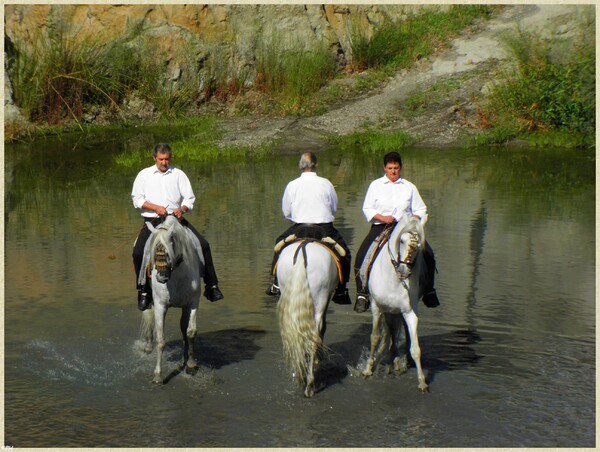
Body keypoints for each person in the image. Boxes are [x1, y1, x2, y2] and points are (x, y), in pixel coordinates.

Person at [131, 143, 224, 311]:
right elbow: (137, 200)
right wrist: (155, 208)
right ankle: (143, 291)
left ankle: (212, 285)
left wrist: (182, 209)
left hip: (175, 220)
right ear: (154, 158)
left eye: (167, 159)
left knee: (204, 245)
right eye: (161, 159)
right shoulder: (144, 175)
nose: (164, 162)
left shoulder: (178, 174)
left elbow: (189, 198)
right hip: (153, 221)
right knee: (138, 252)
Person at [353, 151, 439, 313]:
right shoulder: (376, 185)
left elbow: (421, 208)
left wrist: (414, 216)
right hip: (382, 226)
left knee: (429, 253)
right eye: (390, 168)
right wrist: (382, 218)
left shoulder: (409, 187)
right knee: (361, 255)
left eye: (396, 168)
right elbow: (367, 208)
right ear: (384, 168)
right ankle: (362, 293)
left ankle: (429, 290)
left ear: (400, 168)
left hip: (404, 228)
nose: (393, 171)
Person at [266, 152, 352, 305]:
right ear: (316, 165)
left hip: (300, 228)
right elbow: (333, 207)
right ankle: (341, 290)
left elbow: (286, 211)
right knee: (345, 254)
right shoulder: (326, 183)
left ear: (300, 165)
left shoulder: (292, 185)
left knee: (278, 244)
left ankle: (276, 283)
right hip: (325, 229)